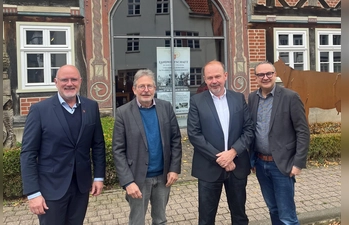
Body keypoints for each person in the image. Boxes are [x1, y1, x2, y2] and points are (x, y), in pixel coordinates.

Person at [20, 65, 106, 225]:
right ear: (56, 82)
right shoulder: (39, 110)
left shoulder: (91, 107)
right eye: (64, 80)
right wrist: (33, 193)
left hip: (81, 187)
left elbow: (98, 145)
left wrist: (99, 177)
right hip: (50, 189)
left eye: (74, 79)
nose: (69, 83)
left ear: (80, 81)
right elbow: (28, 153)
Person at [187, 60, 254, 225]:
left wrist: (232, 153)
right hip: (209, 168)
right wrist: (221, 159)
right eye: (210, 78)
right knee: (206, 219)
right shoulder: (197, 101)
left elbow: (249, 130)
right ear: (205, 79)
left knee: (239, 216)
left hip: (237, 166)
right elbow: (194, 134)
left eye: (217, 76)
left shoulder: (238, 98)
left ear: (225, 76)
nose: (214, 81)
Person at [112, 69, 182, 225]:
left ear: (155, 88)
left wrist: (174, 168)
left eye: (149, 86)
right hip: (137, 179)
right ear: (134, 89)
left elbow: (175, 140)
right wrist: (127, 181)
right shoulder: (123, 113)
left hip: (163, 177)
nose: (146, 90)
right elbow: (118, 150)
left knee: (160, 219)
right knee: (137, 221)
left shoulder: (166, 108)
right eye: (141, 86)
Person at [248, 61, 310, 225]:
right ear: (256, 78)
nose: (265, 77)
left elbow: (302, 131)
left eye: (269, 73)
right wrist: (252, 159)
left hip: (282, 165)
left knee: (287, 215)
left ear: (275, 75)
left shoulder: (290, 97)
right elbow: (252, 130)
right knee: (273, 209)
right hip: (261, 164)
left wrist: (298, 163)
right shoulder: (252, 98)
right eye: (261, 74)